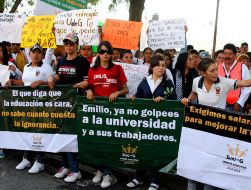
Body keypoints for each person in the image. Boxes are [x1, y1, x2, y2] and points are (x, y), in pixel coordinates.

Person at [181, 57, 251, 190]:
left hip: (217, 131)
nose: (216, 73)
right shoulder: (197, 81)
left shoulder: (225, 82)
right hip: (199, 129)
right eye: (212, 70)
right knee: (194, 163)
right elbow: (193, 95)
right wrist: (187, 99)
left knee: (211, 166)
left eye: (217, 69)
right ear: (203, 73)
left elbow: (245, 82)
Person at [126, 54, 176, 190]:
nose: (161, 68)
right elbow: (139, 96)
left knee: (156, 151)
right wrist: (133, 98)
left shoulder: (168, 83)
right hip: (144, 123)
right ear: (152, 67)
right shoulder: (144, 81)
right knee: (141, 150)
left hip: (160, 124)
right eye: (158, 65)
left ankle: (155, 180)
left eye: (163, 66)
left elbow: (174, 101)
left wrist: (164, 100)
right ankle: (139, 177)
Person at [5, 43, 54, 173]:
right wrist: (12, 82)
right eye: (34, 52)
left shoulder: (47, 67)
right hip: (27, 105)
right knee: (27, 131)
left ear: (42, 54)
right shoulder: (26, 67)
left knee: (39, 133)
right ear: (30, 54)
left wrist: (41, 82)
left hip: (41, 105)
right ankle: (27, 158)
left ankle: (39, 161)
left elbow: (51, 84)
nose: (36, 55)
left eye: (39, 52)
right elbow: (24, 82)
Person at [86, 41, 128, 188]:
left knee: (108, 143)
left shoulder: (117, 68)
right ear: (98, 53)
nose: (105, 54)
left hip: (112, 111)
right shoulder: (93, 69)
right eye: (102, 51)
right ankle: (100, 169)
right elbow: (89, 86)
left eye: (107, 51)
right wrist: (88, 91)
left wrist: (117, 92)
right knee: (97, 142)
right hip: (96, 110)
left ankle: (108, 174)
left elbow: (125, 89)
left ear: (111, 53)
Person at [51, 32, 90, 182]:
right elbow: (58, 76)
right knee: (61, 133)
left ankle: (75, 170)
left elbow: (87, 82)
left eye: (71, 43)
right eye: (66, 43)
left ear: (76, 45)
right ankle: (65, 165)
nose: (68, 46)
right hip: (61, 102)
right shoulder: (61, 61)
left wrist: (82, 85)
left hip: (75, 102)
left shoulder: (82, 62)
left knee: (70, 135)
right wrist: (51, 78)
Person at [218, 43, 251, 112]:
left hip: (235, 106)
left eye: (230, 54)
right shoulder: (218, 66)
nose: (227, 56)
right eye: (225, 53)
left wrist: (240, 103)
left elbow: (248, 86)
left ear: (235, 55)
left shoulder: (242, 67)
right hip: (219, 105)